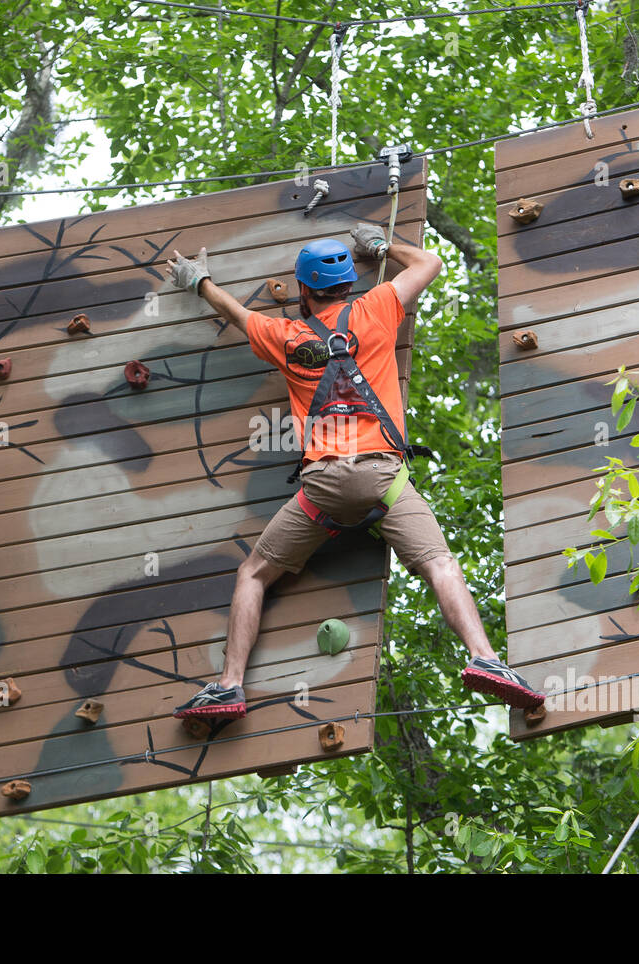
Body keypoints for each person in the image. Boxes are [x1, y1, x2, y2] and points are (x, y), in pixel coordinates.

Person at [164, 226, 544, 721]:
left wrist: (198, 281)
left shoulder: (283, 336)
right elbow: (428, 264)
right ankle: (486, 659)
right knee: (439, 564)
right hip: (384, 480)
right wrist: (383, 246)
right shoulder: (378, 308)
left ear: (304, 290)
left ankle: (230, 686)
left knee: (253, 574)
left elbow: (236, 313)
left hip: (323, 487)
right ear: (348, 284)